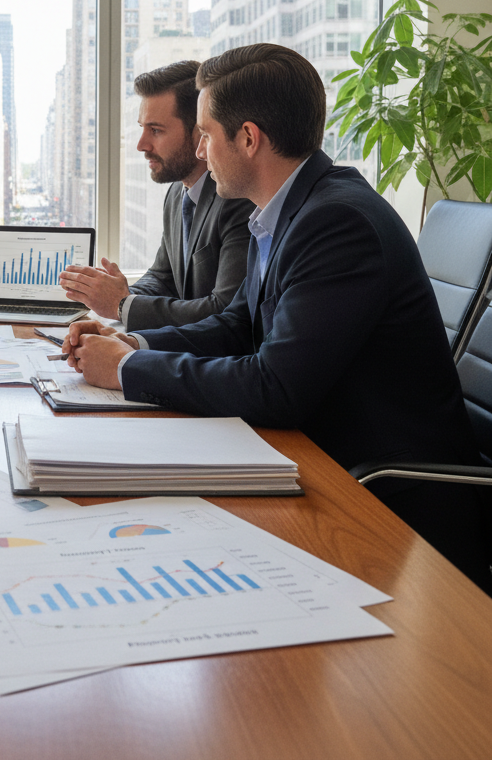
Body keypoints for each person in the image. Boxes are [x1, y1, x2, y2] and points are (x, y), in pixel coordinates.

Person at [66, 42, 491, 590]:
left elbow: (276, 387)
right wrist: (132, 345)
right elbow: (236, 325)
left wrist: (125, 372)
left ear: (248, 138)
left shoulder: (336, 223)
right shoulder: (290, 210)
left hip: (388, 501)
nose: (199, 149)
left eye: (205, 134)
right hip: (322, 461)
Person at [58, 61, 252, 329]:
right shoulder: (177, 193)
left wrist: (122, 305)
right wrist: (119, 293)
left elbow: (224, 311)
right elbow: (163, 277)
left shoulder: (238, 198)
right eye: (142, 128)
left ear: (199, 132)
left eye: (156, 130)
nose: (141, 145)